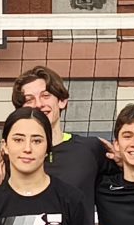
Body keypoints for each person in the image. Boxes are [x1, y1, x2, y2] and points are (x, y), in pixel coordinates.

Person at [12, 66, 109, 197]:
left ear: (62, 101)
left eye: (45, 96)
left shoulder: (90, 149)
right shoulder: (13, 156)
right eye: (29, 99)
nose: (38, 104)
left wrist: (124, 161)